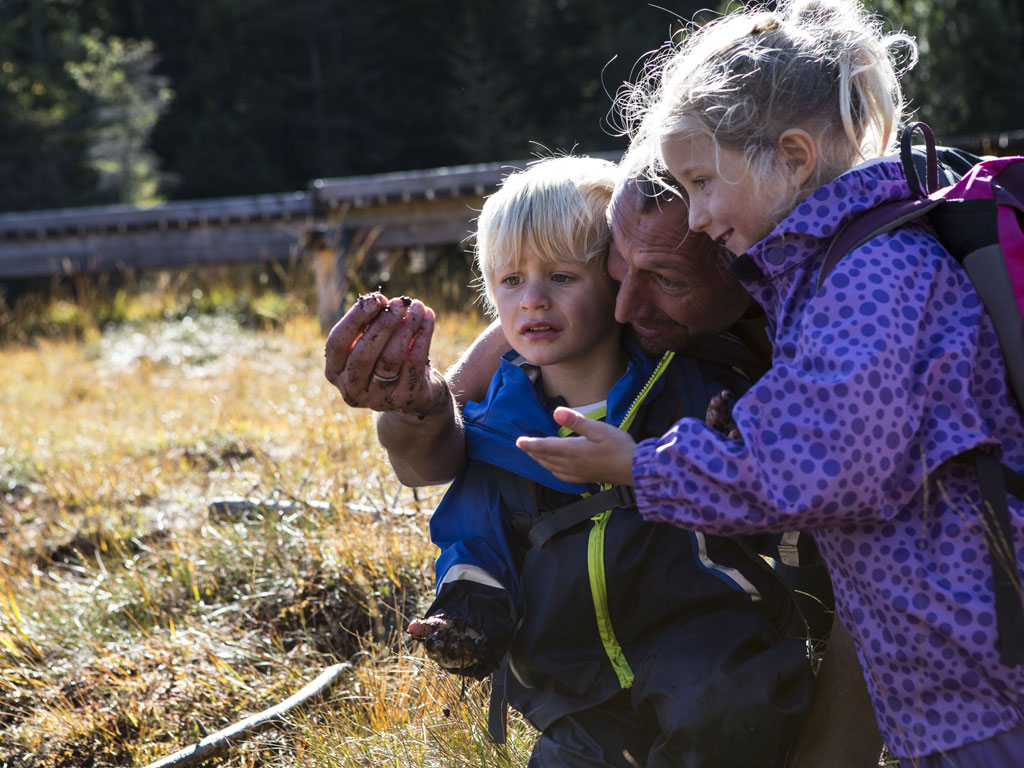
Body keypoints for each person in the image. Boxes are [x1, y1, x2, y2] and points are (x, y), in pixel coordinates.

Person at [515, 2, 1024, 766]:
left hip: (979, 661)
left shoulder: (871, 278)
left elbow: (815, 466)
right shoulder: (827, 270)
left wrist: (637, 465)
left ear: (791, 156)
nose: (696, 212)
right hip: (948, 660)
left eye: (700, 182)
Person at [401, 154, 813, 767]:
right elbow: (473, 535)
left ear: (617, 281)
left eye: (563, 277)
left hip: (708, 648)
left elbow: (763, 498)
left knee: (722, 723)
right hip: (572, 681)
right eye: (510, 281)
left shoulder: (691, 387)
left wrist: (725, 441)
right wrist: (467, 615)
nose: (533, 301)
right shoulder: (494, 425)